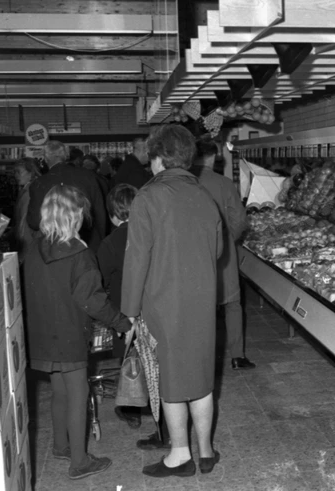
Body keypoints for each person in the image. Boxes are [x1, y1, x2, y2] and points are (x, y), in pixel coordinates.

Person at [122, 125, 223, 478]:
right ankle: (206, 451)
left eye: (152, 157)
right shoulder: (205, 197)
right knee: (201, 375)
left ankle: (180, 455)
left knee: (172, 380)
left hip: (164, 302)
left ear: (160, 157)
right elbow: (219, 250)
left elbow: (136, 260)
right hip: (201, 301)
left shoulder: (148, 198)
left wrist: (129, 313)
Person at [23, 184, 131, 480]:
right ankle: (79, 462)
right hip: (69, 334)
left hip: (40, 335)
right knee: (79, 393)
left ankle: (61, 445)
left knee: (59, 391)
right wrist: (122, 323)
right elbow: (93, 300)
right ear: (76, 216)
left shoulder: (32, 250)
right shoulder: (79, 255)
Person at [96, 184, 169, 446]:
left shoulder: (109, 243)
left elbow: (100, 281)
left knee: (129, 363)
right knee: (156, 363)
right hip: (155, 309)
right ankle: (157, 409)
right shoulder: (154, 232)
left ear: (113, 215)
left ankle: (131, 409)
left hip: (123, 314)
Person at [192, 140, 255, 370]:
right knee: (232, 304)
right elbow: (239, 221)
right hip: (223, 254)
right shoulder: (224, 183)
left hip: (193, 254)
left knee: (201, 307)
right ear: (213, 157)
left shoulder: (186, 183)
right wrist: (230, 239)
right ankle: (237, 356)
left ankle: (202, 358)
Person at [27, 140, 107, 252]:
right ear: (66, 156)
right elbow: (100, 213)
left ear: (45, 158)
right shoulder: (88, 176)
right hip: (88, 244)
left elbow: (34, 222)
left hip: (54, 249)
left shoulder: (39, 184)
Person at [13, 157, 41, 263]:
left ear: (31, 173)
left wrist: (22, 254)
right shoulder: (30, 189)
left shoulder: (29, 193)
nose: (16, 175)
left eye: (19, 172)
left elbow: (24, 224)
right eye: (15, 172)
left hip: (27, 245)